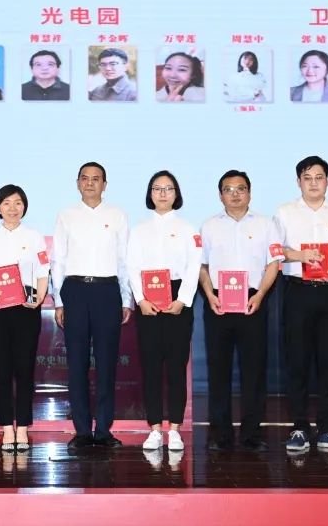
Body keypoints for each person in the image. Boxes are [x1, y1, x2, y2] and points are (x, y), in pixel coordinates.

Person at [198, 170, 283, 452]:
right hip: (218, 302)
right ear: (220, 195)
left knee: (254, 371)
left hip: (252, 300)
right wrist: (209, 294)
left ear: (250, 193)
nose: (235, 194)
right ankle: (220, 434)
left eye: (241, 189)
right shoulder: (209, 226)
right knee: (218, 370)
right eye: (228, 189)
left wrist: (260, 295)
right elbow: (202, 265)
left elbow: (274, 264)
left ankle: (252, 434)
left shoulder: (266, 224)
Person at [273, 155, 328, 453]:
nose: (314, 183)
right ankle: (299, 428)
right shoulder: (284, 212)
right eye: (307, 178)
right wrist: (299, 256)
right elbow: (275, 249)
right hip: (298, 291)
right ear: (299, 182)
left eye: (319, 177)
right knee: (298, 362)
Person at [52, 162, 132, 449]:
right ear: (77, 183)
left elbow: (124, 260)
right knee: (77, 364)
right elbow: (58, 260)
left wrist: (126, 298)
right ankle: (83, 430)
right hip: (75, 290)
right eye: (84, 178)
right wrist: (59, 299)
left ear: (104, 185)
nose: (90, 183)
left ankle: (104, 430)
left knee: (107, 363)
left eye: (96, 179)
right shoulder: (66, 216)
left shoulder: (118, 215)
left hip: (107, 291)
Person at [126, 171, 200, 451]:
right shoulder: (139, 230)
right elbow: (132, 266)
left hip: (178, 300)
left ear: (176, 194)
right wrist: (140, 299)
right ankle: (155, 429)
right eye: (157, 188)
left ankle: (175, 429)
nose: (162, 193)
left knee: (177, 368)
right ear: (150, 194)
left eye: (168, 188)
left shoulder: (188, 229)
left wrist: (183, 299)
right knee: (152, 367)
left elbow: (193, 267)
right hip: (148, 301)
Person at [0, 185, 50, 451]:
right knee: (2, 367)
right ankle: (6, 428)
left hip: (27, 308)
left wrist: (39, 298)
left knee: (24, 368)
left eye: (18, 203)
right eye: (7, 203)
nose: (12, 208)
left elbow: (43, 271)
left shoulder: (34, 237)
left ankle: (22, 427)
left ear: (24, 207)